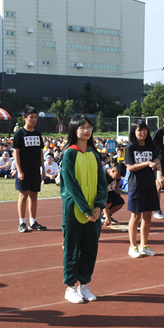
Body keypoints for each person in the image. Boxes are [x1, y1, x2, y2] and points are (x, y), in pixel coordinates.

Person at [60, 115, 107, 304]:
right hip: (75, 209)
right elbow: (70, 185)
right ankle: (70, 287)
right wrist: (86, 208)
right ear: (74, 130)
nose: (87, 130)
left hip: (93, 211)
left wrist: (98, 206)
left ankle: (84, 284)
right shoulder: (69, 153)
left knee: (90, 248)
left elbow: (102, 183)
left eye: (89, 127)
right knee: (72, 247)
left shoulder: (94, 154)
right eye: (82, 127)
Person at [125, 119, 161, 258]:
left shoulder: (151, 146)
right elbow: (130, 167)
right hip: (136, 186)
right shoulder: (131, 147)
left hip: (150, 185)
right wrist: (146, 163)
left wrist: (160, 175)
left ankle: (144, 245)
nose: (143, 132)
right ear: (134, 132)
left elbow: (157, 162)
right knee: (135, 216)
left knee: (147, 216)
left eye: (144, 129)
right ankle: (132, 246)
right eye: (139, 130)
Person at [13, 106, 47, 232]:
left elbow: (40, 152)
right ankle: (21, 222)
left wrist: (43, 169)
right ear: (24, 118)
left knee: (34, 195)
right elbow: (16, 153)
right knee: (23, 195)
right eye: (31, 117)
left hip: (35, 170)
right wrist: (19, 170)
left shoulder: (38, 133)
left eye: (35, 117)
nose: (34, 120)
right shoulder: (19, 134)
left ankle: (33, 221)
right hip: (24, 170)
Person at [101, 161, 126, 226]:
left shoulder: (116, 175)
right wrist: (108, 217)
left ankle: (104, 216)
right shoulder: (103, 176)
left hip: (109, 192)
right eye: (118, 175)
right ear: (113, 171)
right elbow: (103, 199)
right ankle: (102, 216)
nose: (118, 177)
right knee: (108, 202)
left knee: (120, 202)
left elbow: (118, 180)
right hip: (99, 194)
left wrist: (117, 189)